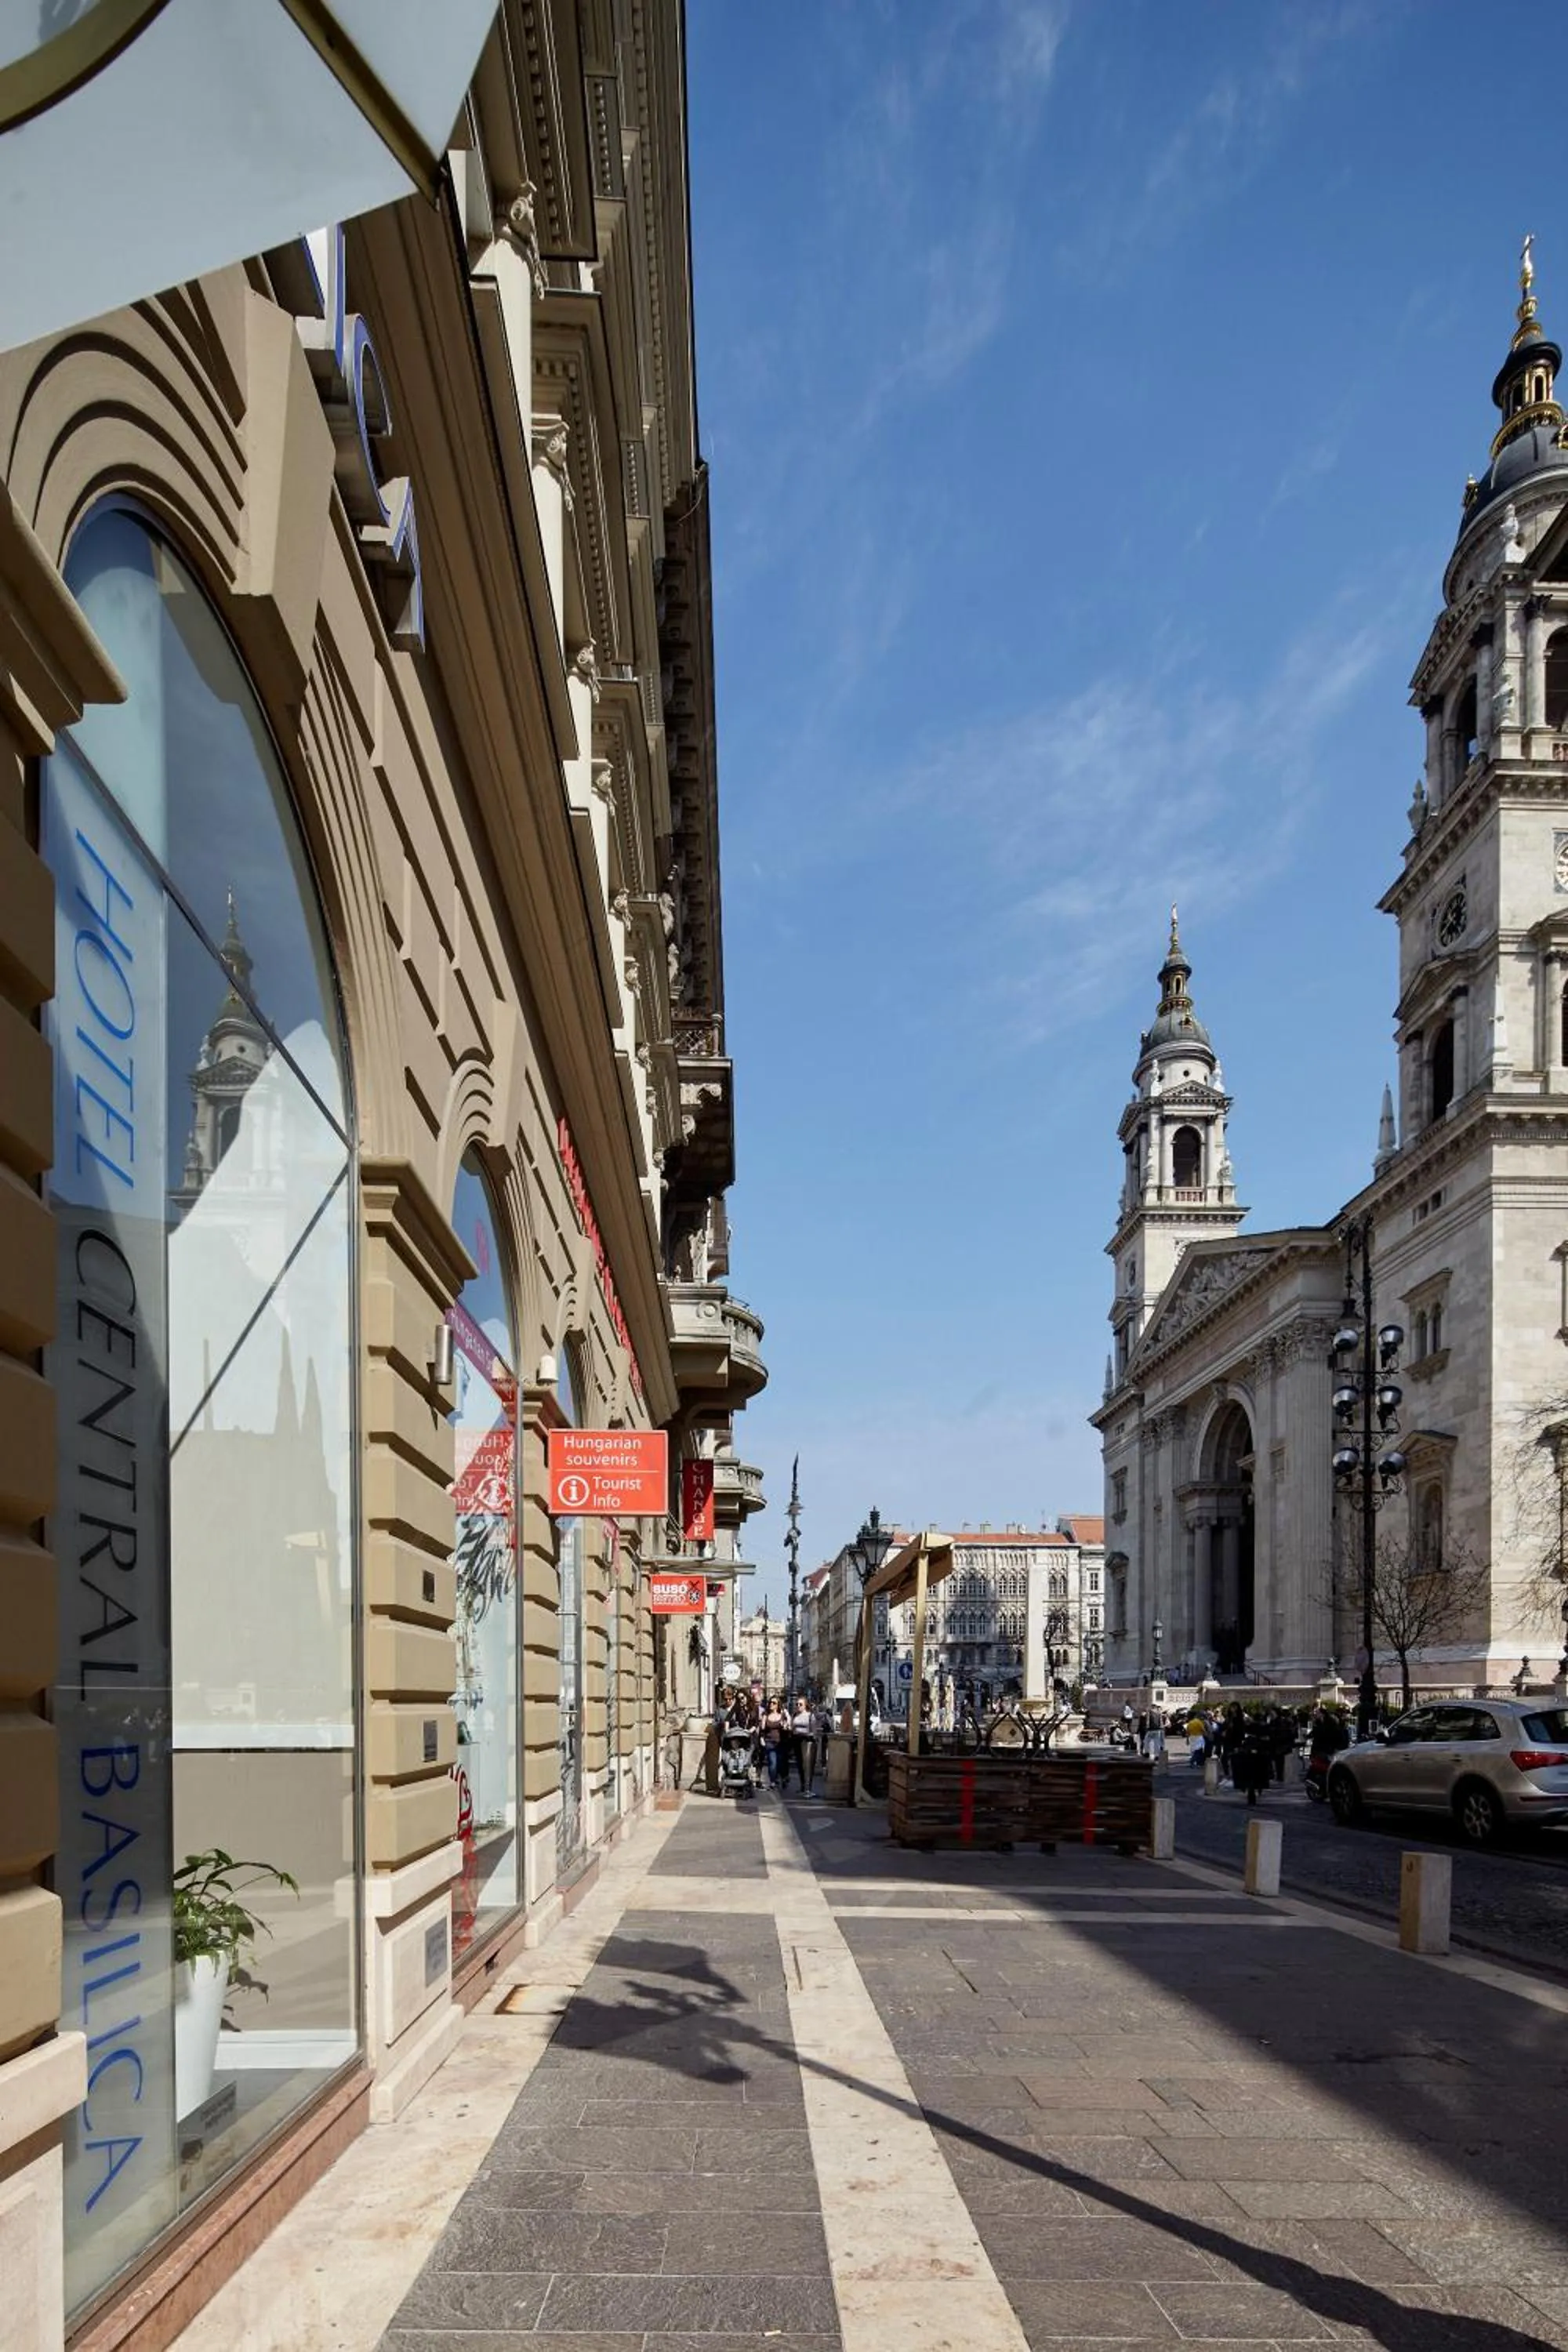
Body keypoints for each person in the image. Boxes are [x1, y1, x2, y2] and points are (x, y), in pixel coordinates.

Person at [791, 1694, 815, 1792]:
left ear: (805, 1705)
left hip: (807, 1741)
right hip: (797, 1740)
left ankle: (808, 1787)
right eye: (797, 1704)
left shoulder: (810, 1715)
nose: (798, 1706)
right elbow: (792, 1728)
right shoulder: (795, 1715)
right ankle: (802, 1785)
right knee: (800, 1764)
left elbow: (814, 1730)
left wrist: (806, 1733)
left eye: (800, 1704)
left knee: (807, 1765)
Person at [761, 1695, 786, 1790]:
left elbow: (786, 1727)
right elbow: (762, 1729)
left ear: (778, 1705)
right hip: (769, 1742)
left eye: (774, 1703)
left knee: (779, 1763)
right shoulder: (766, 1715)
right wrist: (762, 1738)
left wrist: (784, 1726)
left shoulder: (782, 1715)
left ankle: (781, 1778)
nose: (771, 1704)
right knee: (772, 1762)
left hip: (780, 1742)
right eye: (770, 1702)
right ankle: (772, 1782)